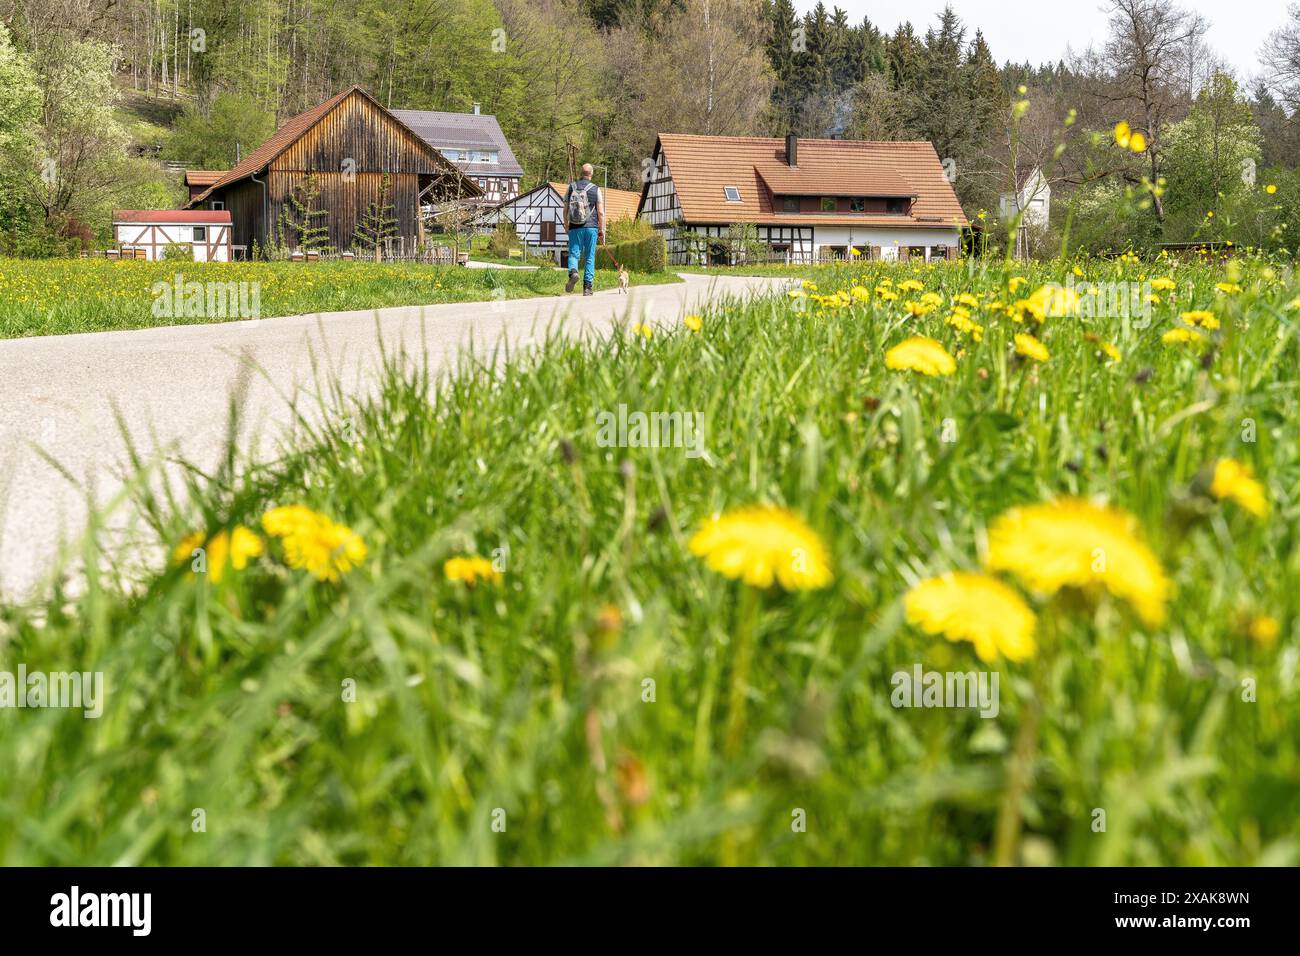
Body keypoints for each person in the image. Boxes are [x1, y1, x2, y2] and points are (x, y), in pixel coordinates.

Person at [564, 164, 605, 296]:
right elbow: (601, 212)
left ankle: (573, 272)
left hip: (575, 226)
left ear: (581, 173)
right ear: (591, 174)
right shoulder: (596, 189)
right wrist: (602, 229)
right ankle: (587, 288)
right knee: (589, 257)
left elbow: (565, 208)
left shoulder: (571, 187)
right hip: (591, 227)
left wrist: (566, 224)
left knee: (574, 254)